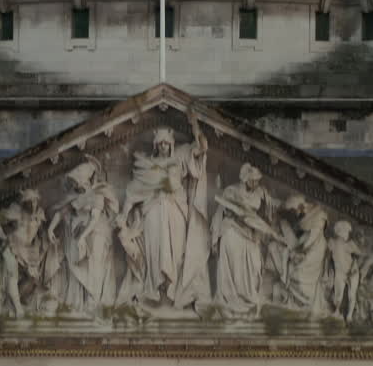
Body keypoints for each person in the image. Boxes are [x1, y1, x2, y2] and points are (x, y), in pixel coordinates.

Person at [118, 116, 210, 308]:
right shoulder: (146, 165)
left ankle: (175, 289)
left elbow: (201, 149)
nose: (164, 147)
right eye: (160, 144)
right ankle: (152, 288)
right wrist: (124, 216)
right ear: (155, 145)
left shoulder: (180, 156)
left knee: (177, 251)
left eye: (167, 144)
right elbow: (133, 191)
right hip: (152, 211)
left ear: (172, 144)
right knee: (155, 250)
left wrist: (195, 127)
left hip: (175, 210)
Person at [48, 161, 118, 314]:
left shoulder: (98, 195)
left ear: (85, 182)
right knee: (77, 264)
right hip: (80, 235)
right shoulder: (75, 198)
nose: (74, 187)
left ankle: (94, 301)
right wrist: (50, 228)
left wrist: (82, 237)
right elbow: (61, 212)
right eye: (74, 184)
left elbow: (94, 219)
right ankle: (79, 301)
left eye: (76, 183)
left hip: (97, 234)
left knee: (94, 265)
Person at [211, 163, 280, 316]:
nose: (255, 183)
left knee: (256, 263)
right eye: (252, 180)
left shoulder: (260, 193)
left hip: (250, 232)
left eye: (257, 180)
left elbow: (269, 211)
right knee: (231, 244)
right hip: (233, 228)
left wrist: (271, 210)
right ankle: (231, 298)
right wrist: (215, 238)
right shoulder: (231, 191)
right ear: (245, 179)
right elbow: (220, 213)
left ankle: (250, 297)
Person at [278, 194, 329, 317]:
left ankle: (305, 301)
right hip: (307, 247)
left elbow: (313, 237)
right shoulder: (304, 217)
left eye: (294, 211)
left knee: (300, 271)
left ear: (300, 206)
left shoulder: (319, 214)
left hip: (315, 249)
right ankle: (297, 301)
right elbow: (303, 236)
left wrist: (300, 250)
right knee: (292, 265)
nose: (295, 214)